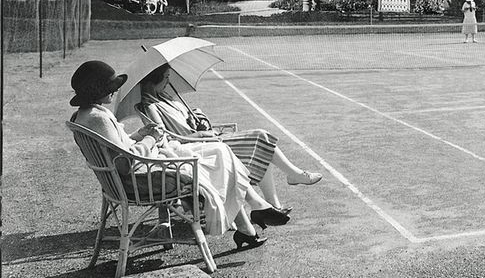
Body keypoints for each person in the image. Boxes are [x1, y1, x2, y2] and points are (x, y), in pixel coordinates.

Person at [68, 60, 286, 249]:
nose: (114, 91)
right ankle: (251, 217)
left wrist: (140, 134)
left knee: (219, 152)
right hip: (141, 179)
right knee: (218, 154)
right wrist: (150, 139)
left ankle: (249, 223)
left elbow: (117, 147)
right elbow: (125, 162)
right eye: (110, 87)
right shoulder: (99, 118)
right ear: (97, 91)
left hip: (128, 177)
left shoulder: (87, 115)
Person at [138, 64, 322, 221]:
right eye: (166, 78)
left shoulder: (166, 98)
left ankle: (273, 204)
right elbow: (166, 138)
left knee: (260, 145)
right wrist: (200, 135)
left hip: (207, 138)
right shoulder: (151, 106)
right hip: (200, 146)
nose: (169, 82)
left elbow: (187, 124)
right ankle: (294, 176)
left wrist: (198, 121)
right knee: (260, 136)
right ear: (154, 80)